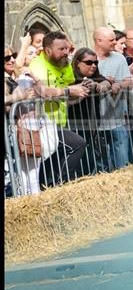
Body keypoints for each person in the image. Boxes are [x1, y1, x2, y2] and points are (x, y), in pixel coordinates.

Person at [27, 31, 89, 186]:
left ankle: (52, 187)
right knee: (77, 144)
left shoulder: (66, 64)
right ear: (48, 50)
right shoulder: (37, 65)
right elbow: (42, 92)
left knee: (52, 162)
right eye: (61, 49)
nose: (66, 52)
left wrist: (79, 93)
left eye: (67, 48)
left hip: (60, 121)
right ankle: (61, 186)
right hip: (42, 125)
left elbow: (66, 95)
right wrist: (70, 91)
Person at [94, 27, 133, 171]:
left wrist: (118, 84)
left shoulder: (119, 57)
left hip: (117, 119)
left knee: (122, 166)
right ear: (99, 41)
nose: (114, 42)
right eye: (111, 40)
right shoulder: (89, 59)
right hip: (96, 122)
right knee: (103, 168)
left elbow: (129, 81)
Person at [69, 47, 112, 176]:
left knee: (92, 161)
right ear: (77, 63)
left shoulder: (95, 77)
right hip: (74, 127)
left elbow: (107, 82)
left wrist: (99, 86)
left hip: (92, 128)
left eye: (95, 62)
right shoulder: (70, 77)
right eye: (88, 62)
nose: (93, 65)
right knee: (82, 163)